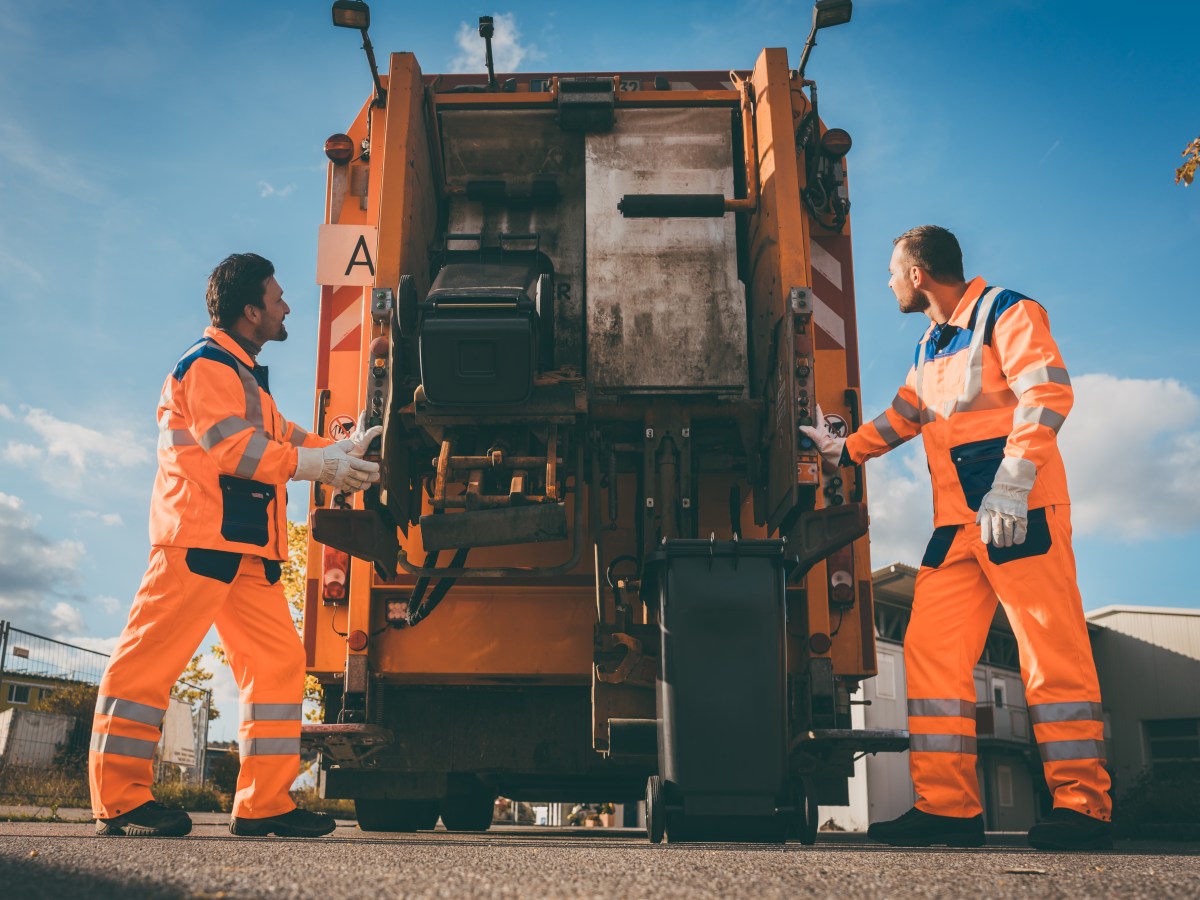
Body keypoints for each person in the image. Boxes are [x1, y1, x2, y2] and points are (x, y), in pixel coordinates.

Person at [801, 226, 1112, 851]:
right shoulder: (930, 348)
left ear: (918, 275)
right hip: (959, 528)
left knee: (1050, 652)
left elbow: (1047, 392)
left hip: (1020, 513)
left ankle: (1083, 806)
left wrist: (1014, 483)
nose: (888, 281)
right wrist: (845, 450)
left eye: (892, 271)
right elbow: (906, 415)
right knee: (930, 650)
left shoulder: (1008, 312)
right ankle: (948, 808)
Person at [89, 253, 381, 838]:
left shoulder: (241, 374)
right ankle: (119, 800)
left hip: (244, 552)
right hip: (195, 544)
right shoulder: (206, 367)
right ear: (251, 312)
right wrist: (316, 465)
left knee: (277, 666)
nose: (286, 306)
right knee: (146, 667)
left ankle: (264, 804)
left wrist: (339, 451)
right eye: (277, 299)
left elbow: (280, 435)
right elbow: (235, 451)